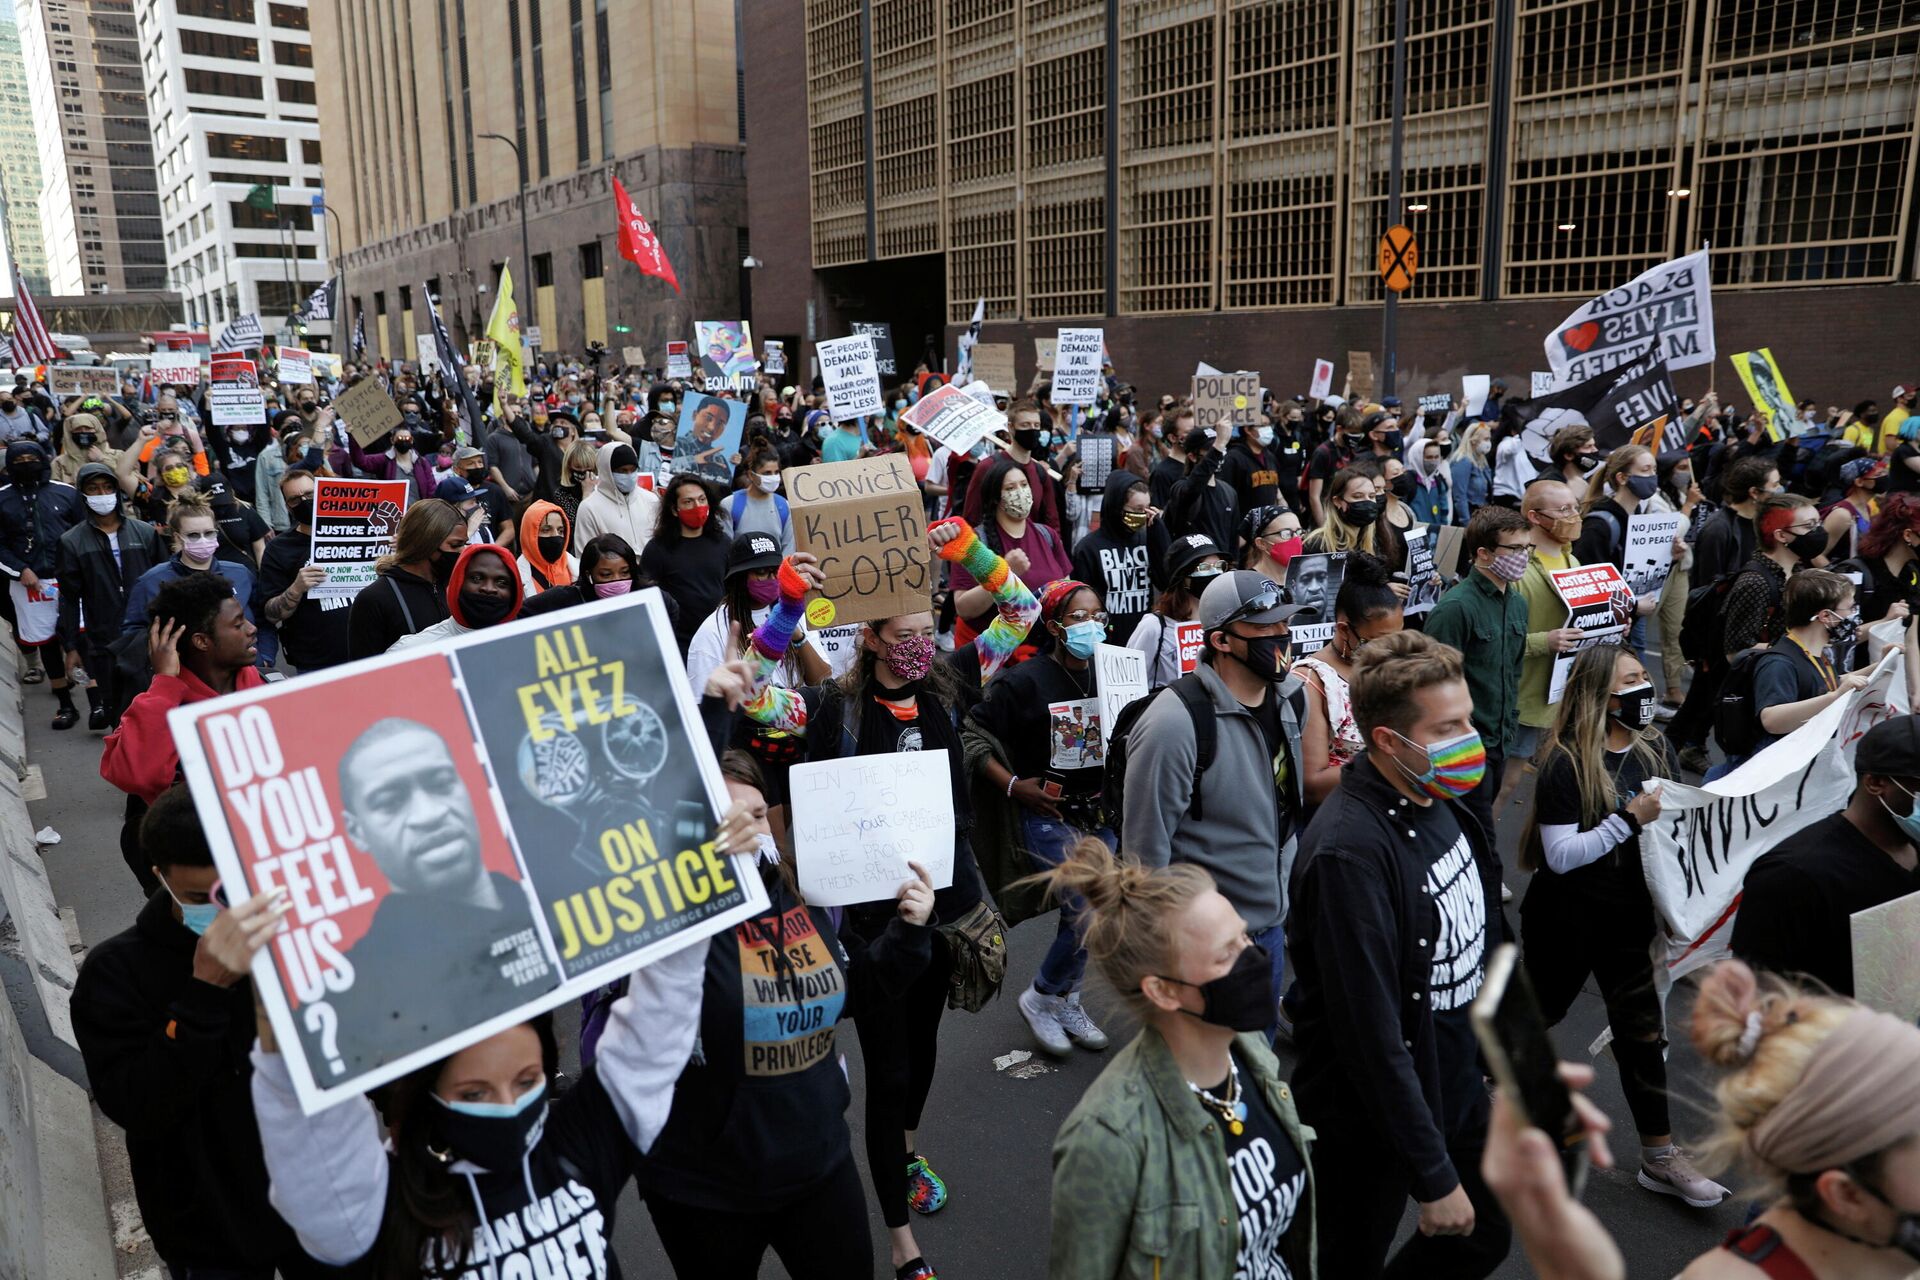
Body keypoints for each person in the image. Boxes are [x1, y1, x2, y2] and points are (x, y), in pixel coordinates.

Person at [739, 522, 1037, 1278]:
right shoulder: (826, 712)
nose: (917, 643)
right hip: (873, 930)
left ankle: (902, 1149)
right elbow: (748, 695)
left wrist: (969, 546)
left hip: (942, 913)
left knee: (925, 1053)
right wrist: (787, 607)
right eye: (901, 635)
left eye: (925, 630)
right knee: (890, 1067)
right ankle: (902, 1241)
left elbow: (1022, 609)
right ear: (868, 639)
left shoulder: (951, 686)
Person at [228, 892, 707, 1278]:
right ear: (425, 1092)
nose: (508, 1106)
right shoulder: (378, 1210)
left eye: (527, 1081)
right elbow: (311, 1137)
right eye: (474, 1093)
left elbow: (657, 1030)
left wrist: (703, 876)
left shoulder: (577, 1144)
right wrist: (282, 1019)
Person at [640, 749, 935, 1279]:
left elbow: (848, 994)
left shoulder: (799, 895)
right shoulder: (664, 921)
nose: (747, 830)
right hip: (706, 1190)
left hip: (816, 1165)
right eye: (726, 817)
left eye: (755, 815)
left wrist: (909, 935)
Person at [1286, 629, 1510, 1280]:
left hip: (1457, 1086)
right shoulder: (1348, 855)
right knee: (1342, 1263)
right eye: (1449, 728)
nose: (1471, 740)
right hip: (1370, 1123)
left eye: (1468, 717)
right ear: (1388, 740)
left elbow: (1491, 934)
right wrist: (1432, 1175)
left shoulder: (1448, 795)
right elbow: (1372, 1036)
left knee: (1486, 1231)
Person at [71, 786, 341, 1280]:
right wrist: (205, 993)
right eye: (202, 898)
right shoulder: (114, 974)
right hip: (207, 1226)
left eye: (237, 892)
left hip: (320, 1199)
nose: (228, 914)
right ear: (160, 878)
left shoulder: (299, 938)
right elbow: (137, 1104)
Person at [1044, 838, 1317, 1279]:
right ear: (1163, 990)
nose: (1254, 959)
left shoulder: (1253, 1059)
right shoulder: (1106, 1139)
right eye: (1226, 953)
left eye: (1244, 937)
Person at [1518, 644, 1730, 1207]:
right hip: (1566, 918)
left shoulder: (1653, 745)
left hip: (1630, 921)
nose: (1646, 688)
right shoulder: (1565, 760)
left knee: (1641, 1035)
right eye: (1633, 680)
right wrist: (1627, 819)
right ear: (1601, 696)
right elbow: (1560, 856)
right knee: (1540, 1009)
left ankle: (1660, 1158)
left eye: (1644, 676)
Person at [1120, 570, 1310, 1036]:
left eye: (1285, 624)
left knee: (1257, 1076)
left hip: (1270, 931)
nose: (1281, 636)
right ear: (1222, 640)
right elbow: (1144, 861)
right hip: (1206, 946)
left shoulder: (1292, 699)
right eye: (1265, 628)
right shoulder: (1174, 724)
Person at [968, 579, 1117, 1057]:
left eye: (1098, 615)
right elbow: (969, 736)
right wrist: (1014, 786)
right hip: (1047, 815)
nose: (1092, 625)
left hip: (1100, 813)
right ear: (1054, 626)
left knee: (1094, 910)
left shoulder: (1114, 671)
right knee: (1088, 902)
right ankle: (1040, 997)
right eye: (1079, 617)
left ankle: (1065, 997)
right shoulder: (1023, 681)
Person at [101, 572, 264, 866]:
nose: (252, 629)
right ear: (201, 641)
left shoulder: (263, 684)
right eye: (238, 624)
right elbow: (138, 777)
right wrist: (164, 683)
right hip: (197, 862)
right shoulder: (159, 706)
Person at [1425, 505, 1533, 840]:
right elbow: (1433, 685)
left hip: (1500, 741)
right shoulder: (1456, 608)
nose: (1524, 556)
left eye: (1527, 548)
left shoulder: (1516, 603)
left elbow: (1512, 671)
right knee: (1464, 835)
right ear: (1483, 554)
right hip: (1464, 744)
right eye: (1515, 549)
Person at [1291, 550, 1404, 811]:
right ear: (1344, 629)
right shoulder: (1311, 682)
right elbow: (1312, 784)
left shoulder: (1389, 666)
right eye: (1380, 641)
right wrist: (1393, 763)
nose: (1391, 650)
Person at [55, 462, 166, 725]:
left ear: (117, 491)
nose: (101, 494)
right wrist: (70, 646)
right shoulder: (71, 542)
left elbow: (165, 582)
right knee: (121, 712)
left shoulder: (144, 532)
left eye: (107, 487)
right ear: (82, 495)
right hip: (104, 638)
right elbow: (69, 598)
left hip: (149, 634)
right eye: (93, 489)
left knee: (160, 704)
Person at [1506, 480, 1586, 813]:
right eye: (1564, 510)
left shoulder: (1575, 564)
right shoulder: (1516, 568)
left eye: (1576, 508)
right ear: (1536, 517)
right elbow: (1496, 639)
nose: (1574, 516)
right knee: (1503, 784)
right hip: (1520, 699)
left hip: (1557, 697)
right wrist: (1546, 641)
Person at [0, 438, 83, 721]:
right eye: (19, 462)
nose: (26, 466)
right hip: (28, 584)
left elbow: (84, 533)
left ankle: (97, 700)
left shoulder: (66, 494)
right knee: (46, 641)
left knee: (80, 637)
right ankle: (65, 704)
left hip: (70, 581)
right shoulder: (2, 498)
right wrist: (20, 569)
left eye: (31, 460)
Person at [951, 455, 1071, 648]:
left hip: (1044, 653)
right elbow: (964, 608)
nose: (1020, 493)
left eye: (1024, 485)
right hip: (998, 657)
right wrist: (1004, 573)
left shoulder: (1047, 535)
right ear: (995, 497)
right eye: (1010, 488)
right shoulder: (974, 543)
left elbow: (1066, 590)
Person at [258, 466, 352, 673]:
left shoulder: (355, 532)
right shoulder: (278, 549)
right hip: (317, 662)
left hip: (371, 649)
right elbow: (271, 614)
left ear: (323, 491)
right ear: (288, 507)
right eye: (295, 499)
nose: (304, 502)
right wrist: (296, 588)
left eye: (310, 494)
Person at [345, 497, 463, 658]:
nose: (462, 551)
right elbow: (364, 672)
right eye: (455, 545)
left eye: (464, 544)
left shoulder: (457, 587)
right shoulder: (374, 599)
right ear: (426, 543)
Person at [641, 473, 732, 654]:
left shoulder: (723, 542)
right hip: (679, 644)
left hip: (720, 639)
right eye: (688, 502)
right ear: (675, 509)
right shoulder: (658, 549)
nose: (697, 506)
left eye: (701, 499)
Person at [1070, 472, 1160, 645]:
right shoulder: (1088, 548)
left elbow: (1164, 580)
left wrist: (1160, 534)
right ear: (1117, 507)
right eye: (1137, 509)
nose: (1144, 514)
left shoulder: (1148, 538)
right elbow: (1080, 601)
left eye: (1148, 508)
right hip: (1107, 642)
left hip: (1144, 639)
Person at [1125, 533, 1224, 689]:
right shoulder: (1154, 626)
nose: (1215, 573)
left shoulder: (1224, 622)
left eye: (1219, 566)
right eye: (1204, 568)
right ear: (1182, 576)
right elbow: (1128, 682)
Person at [389, 542, 524, 650]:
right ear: (458, 583)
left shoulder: (530, 648)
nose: (488, 589)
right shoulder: (411, 652)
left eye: (501, 582)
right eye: (477, 578)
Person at [960, 399, 1063, 536]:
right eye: (1025, 425)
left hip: (1031, 552)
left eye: (1036, 425)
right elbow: (972, 518)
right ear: (1011, 427)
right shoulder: (988, 467)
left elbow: (1052, 521)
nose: (1032, 430)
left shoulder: (1040, 471)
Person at [573, 440, 663, 557]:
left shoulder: (651, 500)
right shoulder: (589, 508)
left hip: (652, 572)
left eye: (633, 469)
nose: (629, 475)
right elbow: (584, 555)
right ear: (607, 471)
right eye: (622, 471)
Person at [1166, 424, 1239, 554]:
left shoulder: (1229, 492)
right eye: (1211, 450)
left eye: (1222, 448)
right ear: (1192, 457)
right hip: (1195, 568)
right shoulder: (1181, 488)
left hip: (1222, 568)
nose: (1219, 453)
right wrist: (1218, 445)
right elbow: (1193, 486)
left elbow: (1233, 541)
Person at [724, 447, 794, 553]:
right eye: (767, 473)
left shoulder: (784, 506)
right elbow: (724, 549)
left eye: (776, 472)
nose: (773, 477)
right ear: (751, 475)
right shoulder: (730, 505)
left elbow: (788, 550)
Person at [1821, 456, 1885, 562]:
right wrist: (1837, 578)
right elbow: (1817, 555)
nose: (1884, 478)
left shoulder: (1866, 507)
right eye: (1878, 475)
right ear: (1859, 482)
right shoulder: (1842, 514)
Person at [514, 499, 577, 597]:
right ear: (530, 534)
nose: (556, 536)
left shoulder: (576, 569)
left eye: (560, 531)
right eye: (546, 530)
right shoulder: (516, 577)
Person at [1242, 502, 1305, 589]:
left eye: (1299, 532)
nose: (1296, 539)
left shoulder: (1305, 581)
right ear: (1261, 543)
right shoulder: (1248, 585)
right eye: (1286, 533)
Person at [1450, 423, 1493, 526]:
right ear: (1473, 440)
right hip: (1468, 516)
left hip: (1481, 515)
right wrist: (1466, 523)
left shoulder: (1481, 461)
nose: (1488, 443)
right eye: (1486, 439)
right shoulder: (1463, 461)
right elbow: (1459, 496)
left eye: (1489, 439)